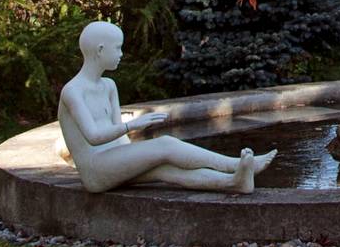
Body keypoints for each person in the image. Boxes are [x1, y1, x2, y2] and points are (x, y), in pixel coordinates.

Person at [57, 21, 272, 193]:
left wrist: (136, 155)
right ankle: (233, 165)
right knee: (166, 145)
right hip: (96, 173)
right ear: (100, 50)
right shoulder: (73, 91)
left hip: (114, 162)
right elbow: (93, 136)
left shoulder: (109, 86)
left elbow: (119, 140)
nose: (121, 54)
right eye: (118, 48)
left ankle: (234, 182)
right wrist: (131, 125)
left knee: (165, 170)